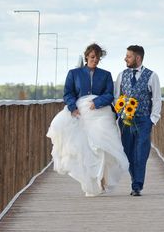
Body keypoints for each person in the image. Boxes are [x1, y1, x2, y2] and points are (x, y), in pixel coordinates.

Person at [46, 43, 129, 196]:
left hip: (101, 113)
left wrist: (97, 102)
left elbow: (109, 94)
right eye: (92, 57)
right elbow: (68, 93)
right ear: (86, 57)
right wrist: (72, 107)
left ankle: (102, 181)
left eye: (97, 58)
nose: (95, 60)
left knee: (103, 147)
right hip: (80, 114)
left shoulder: (106, 75)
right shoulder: (74, 73)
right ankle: (89, 182)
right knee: (84, 148)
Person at [114, 44, 161, 196]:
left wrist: (152, 119)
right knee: (128, 153)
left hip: (143, 120)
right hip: (125, 121)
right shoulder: (122, 75)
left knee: (141, 152)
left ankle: (137, 186)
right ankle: (135, 179)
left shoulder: (152, 76)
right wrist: (119, 114)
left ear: (138, 58)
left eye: (128, 56)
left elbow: (157, 99)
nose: (125, 59)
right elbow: (116, 96)